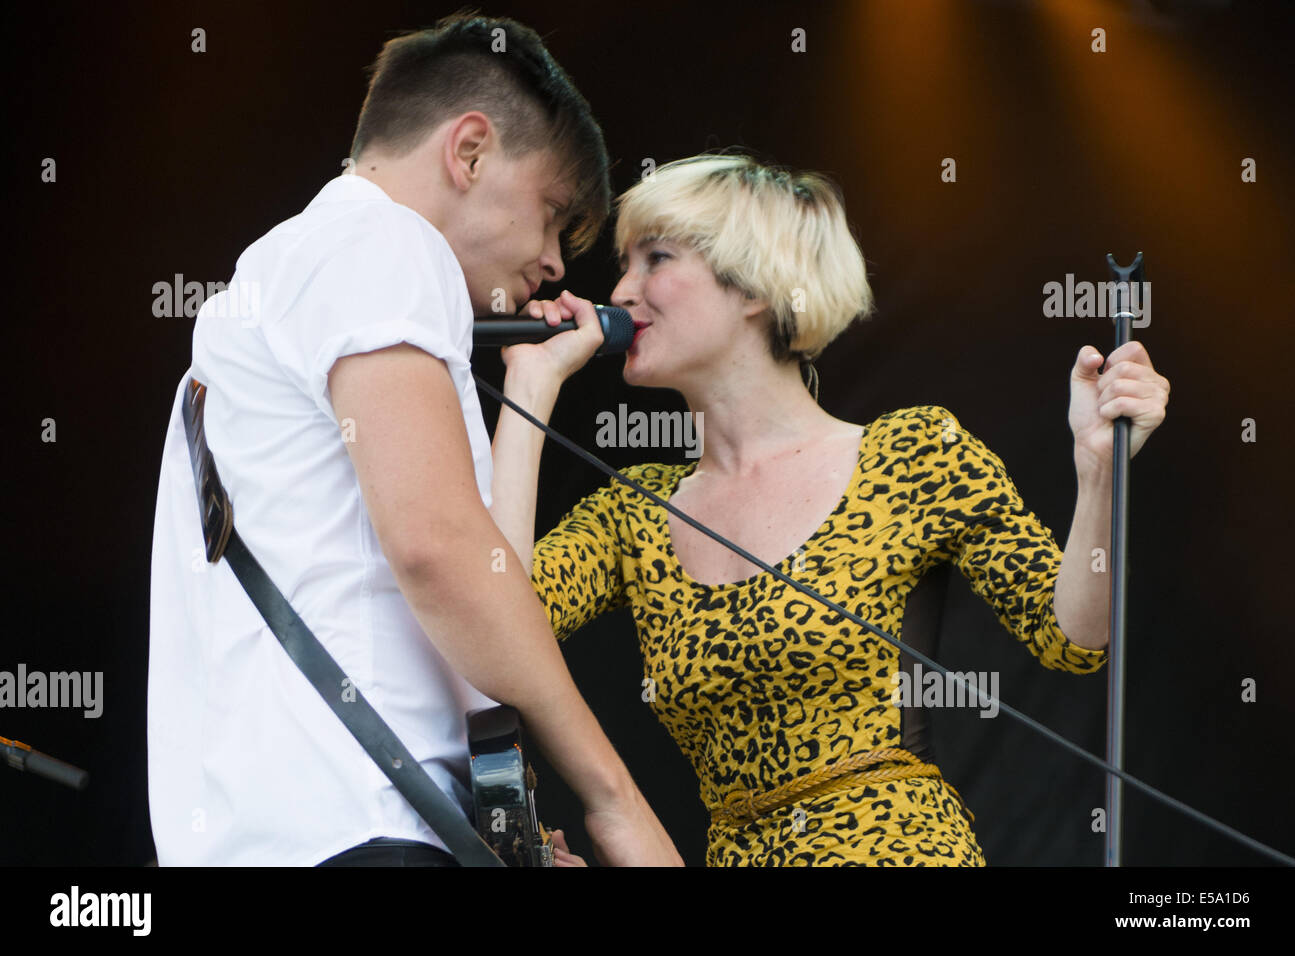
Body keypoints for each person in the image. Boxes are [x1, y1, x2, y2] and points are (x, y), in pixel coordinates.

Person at [489, 152, 1171, 866]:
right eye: (623, 263)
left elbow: (1072, 636)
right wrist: (529, 394)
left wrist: (1098, 475)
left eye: (655, 257)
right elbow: (499, 624)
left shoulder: (912, 454)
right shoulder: (633, 513)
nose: (622, 290)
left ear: (753, 284)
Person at [147, 13, 680, 867]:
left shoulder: (289, 279)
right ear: (468, 151)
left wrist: (533, 390)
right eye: (551, 214)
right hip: (357, 831)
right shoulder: (382, 239)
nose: (553, 263)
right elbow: (439, 550)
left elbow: (481, 587)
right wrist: (615, 800)